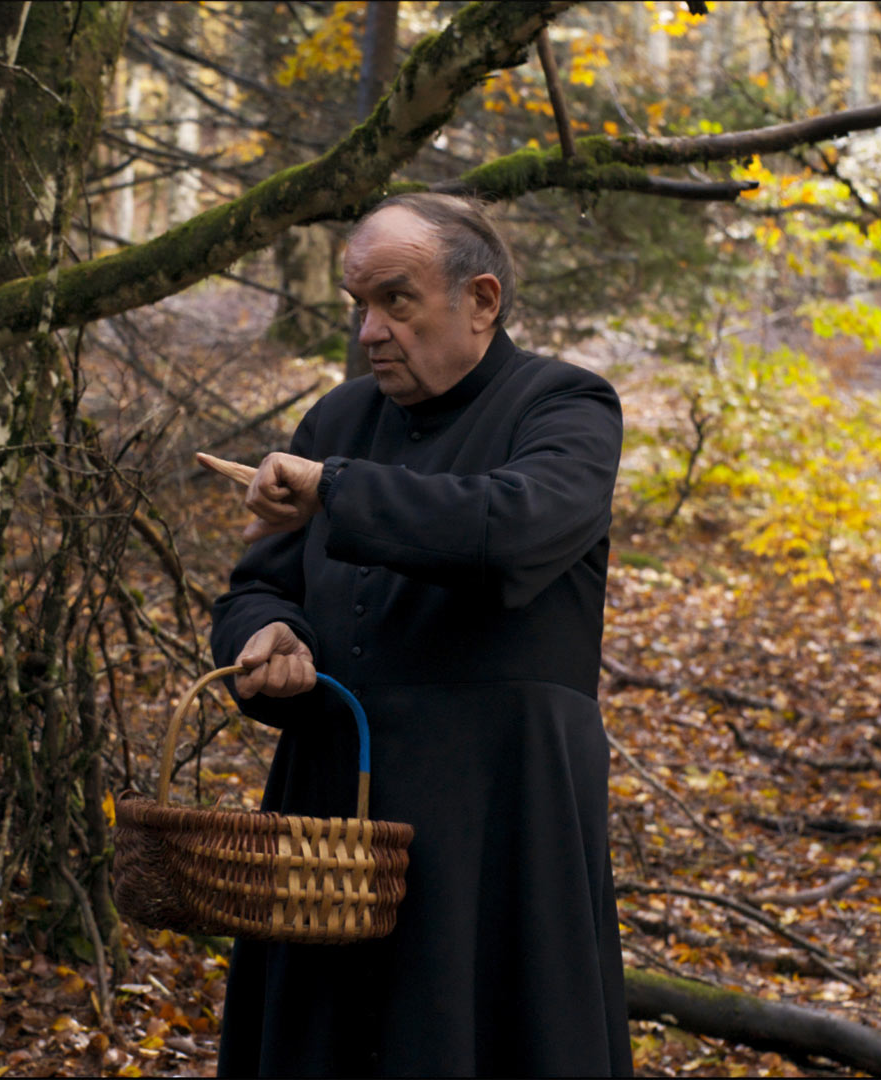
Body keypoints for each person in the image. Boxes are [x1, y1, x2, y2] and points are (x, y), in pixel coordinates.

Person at [209, 192, 631, 1076]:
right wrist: (269, 638)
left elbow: (511, 526)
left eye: (395, 300)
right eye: (358, 304)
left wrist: (334, 489)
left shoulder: (564, 405)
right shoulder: (337, 419)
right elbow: (258, 585)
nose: (368, 331)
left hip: (499, 814)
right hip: (334, 814)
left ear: (481, 300)